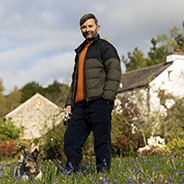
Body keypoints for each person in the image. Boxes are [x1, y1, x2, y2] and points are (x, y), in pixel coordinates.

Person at [64, 13, 121, 172]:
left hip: (100, 102)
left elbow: (114, 73)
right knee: (71, 140)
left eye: (90, 26)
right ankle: (70, 172)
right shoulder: (80, 52)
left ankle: (102, 174)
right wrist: (69, 102)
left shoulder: (105, 48)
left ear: (97, 27)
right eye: (84, 27)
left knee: (101, 141)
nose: (87, 29)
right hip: (80, 106)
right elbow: (75, 80)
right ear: (81, 29)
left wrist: (107, 98)